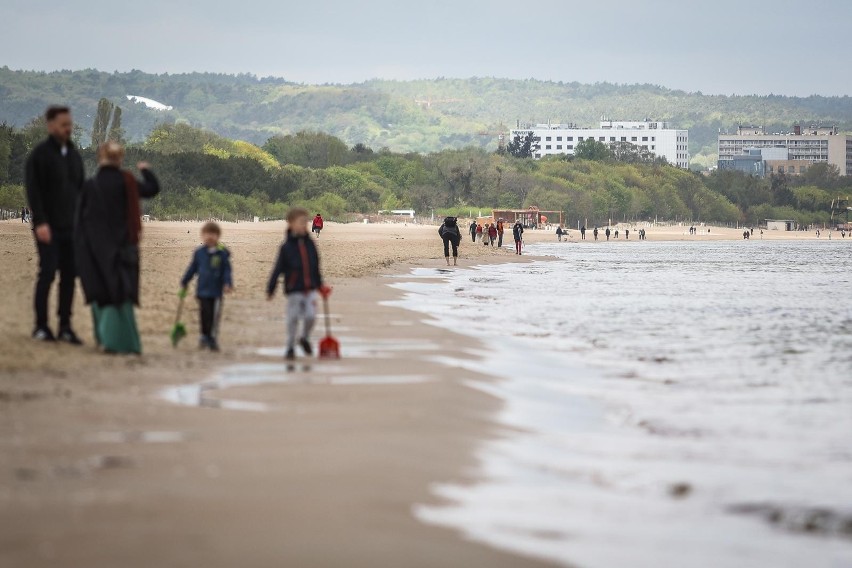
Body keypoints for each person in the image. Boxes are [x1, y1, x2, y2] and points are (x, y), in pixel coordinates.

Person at [75, 142, 160, 354]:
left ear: (99, 158)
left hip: (95, 247)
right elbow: (152, 189)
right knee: (122, 292)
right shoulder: (128, 183)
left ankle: (104, 338)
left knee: (100, 291)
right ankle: (124, 342)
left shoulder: (90, 185)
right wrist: (146, 170)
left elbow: (80, 221)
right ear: (120, 159)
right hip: (122, 246)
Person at [25, 105, 85, 343]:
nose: (68, 129)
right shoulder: (39, 155)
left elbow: (81, 190)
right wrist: (40, 221)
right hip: (47, 226)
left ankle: (65, 326)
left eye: (69, 124)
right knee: (47, 273)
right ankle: (41, 326)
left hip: (72, 227)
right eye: (63, 125)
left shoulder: (73, 155)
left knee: (70, 275)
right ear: (50, 126)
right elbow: (33, 190)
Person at [267, 207, 331, 361]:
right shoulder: (286, 247)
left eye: (305, 222)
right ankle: (290, 347)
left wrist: (320, 285)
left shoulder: (310, 244)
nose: (303, 225)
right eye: (300, 222)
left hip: (310, 289)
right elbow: (278, 268)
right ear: (290, 224)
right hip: (294, 289)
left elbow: (316, 266)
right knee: (293, 318)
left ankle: (304, 337)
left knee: (311, 316)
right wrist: (271, 287)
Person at [180, 222, 234, 352]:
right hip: (202, 290)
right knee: (204, 314)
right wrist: (185, 281)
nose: (210, 237)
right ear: (202, 236)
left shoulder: (222, 254)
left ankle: (212, 338)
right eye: (207, 234)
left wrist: (228, 283)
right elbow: (192, 268)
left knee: (214, 316)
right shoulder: (199, 253)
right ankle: (204, 336)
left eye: (213, 234)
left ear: (218, 236)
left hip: (216, 292)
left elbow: (227, 270)